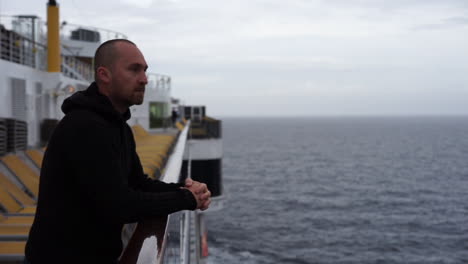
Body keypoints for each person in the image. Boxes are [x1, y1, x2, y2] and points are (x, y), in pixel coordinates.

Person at [25, 39, 211, 263]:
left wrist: (188, 191)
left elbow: (138, 183)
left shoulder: (118, 126)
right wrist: (185, 198)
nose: (144, 79)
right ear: (104, 75)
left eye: (144, 70)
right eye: (134, 69)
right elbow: (119, 205)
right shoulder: (85, 126)